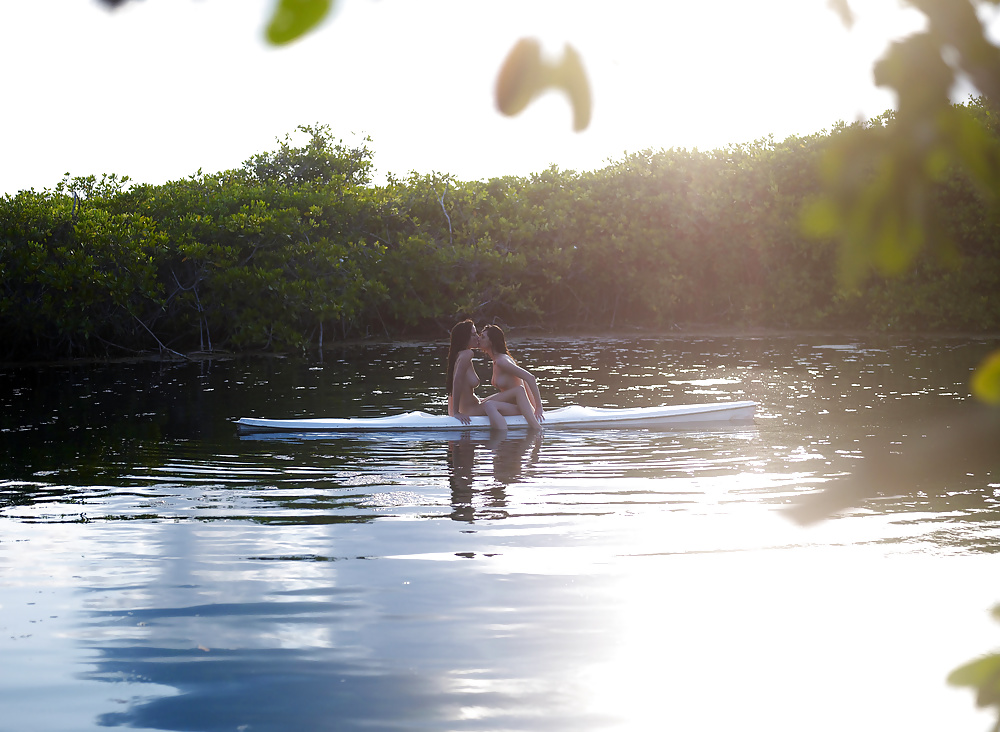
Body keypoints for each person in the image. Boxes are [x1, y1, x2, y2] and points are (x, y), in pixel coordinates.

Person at [446, 319, 524, 430]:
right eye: (473, 335)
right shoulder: (467, 354)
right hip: (472, 410)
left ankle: (533, 409)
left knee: (502, 398)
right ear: (465, 338)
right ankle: (533, 416)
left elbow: (454, 384)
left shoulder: (459, 354)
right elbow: (456, 381)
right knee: (519, 406)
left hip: (475, 405)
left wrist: (453, 412)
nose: (477, 337)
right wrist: (456, 412)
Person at [478, 324, 545, 428]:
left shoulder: (502, 361)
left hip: (522, 407)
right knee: (482, 402)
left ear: (491, 342)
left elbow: (530, 377)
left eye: (483, 337)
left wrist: (539, 407)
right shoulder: (496, 360)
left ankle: (501, 439)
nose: (479, 339)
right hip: (512, 405)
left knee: (488, 405)